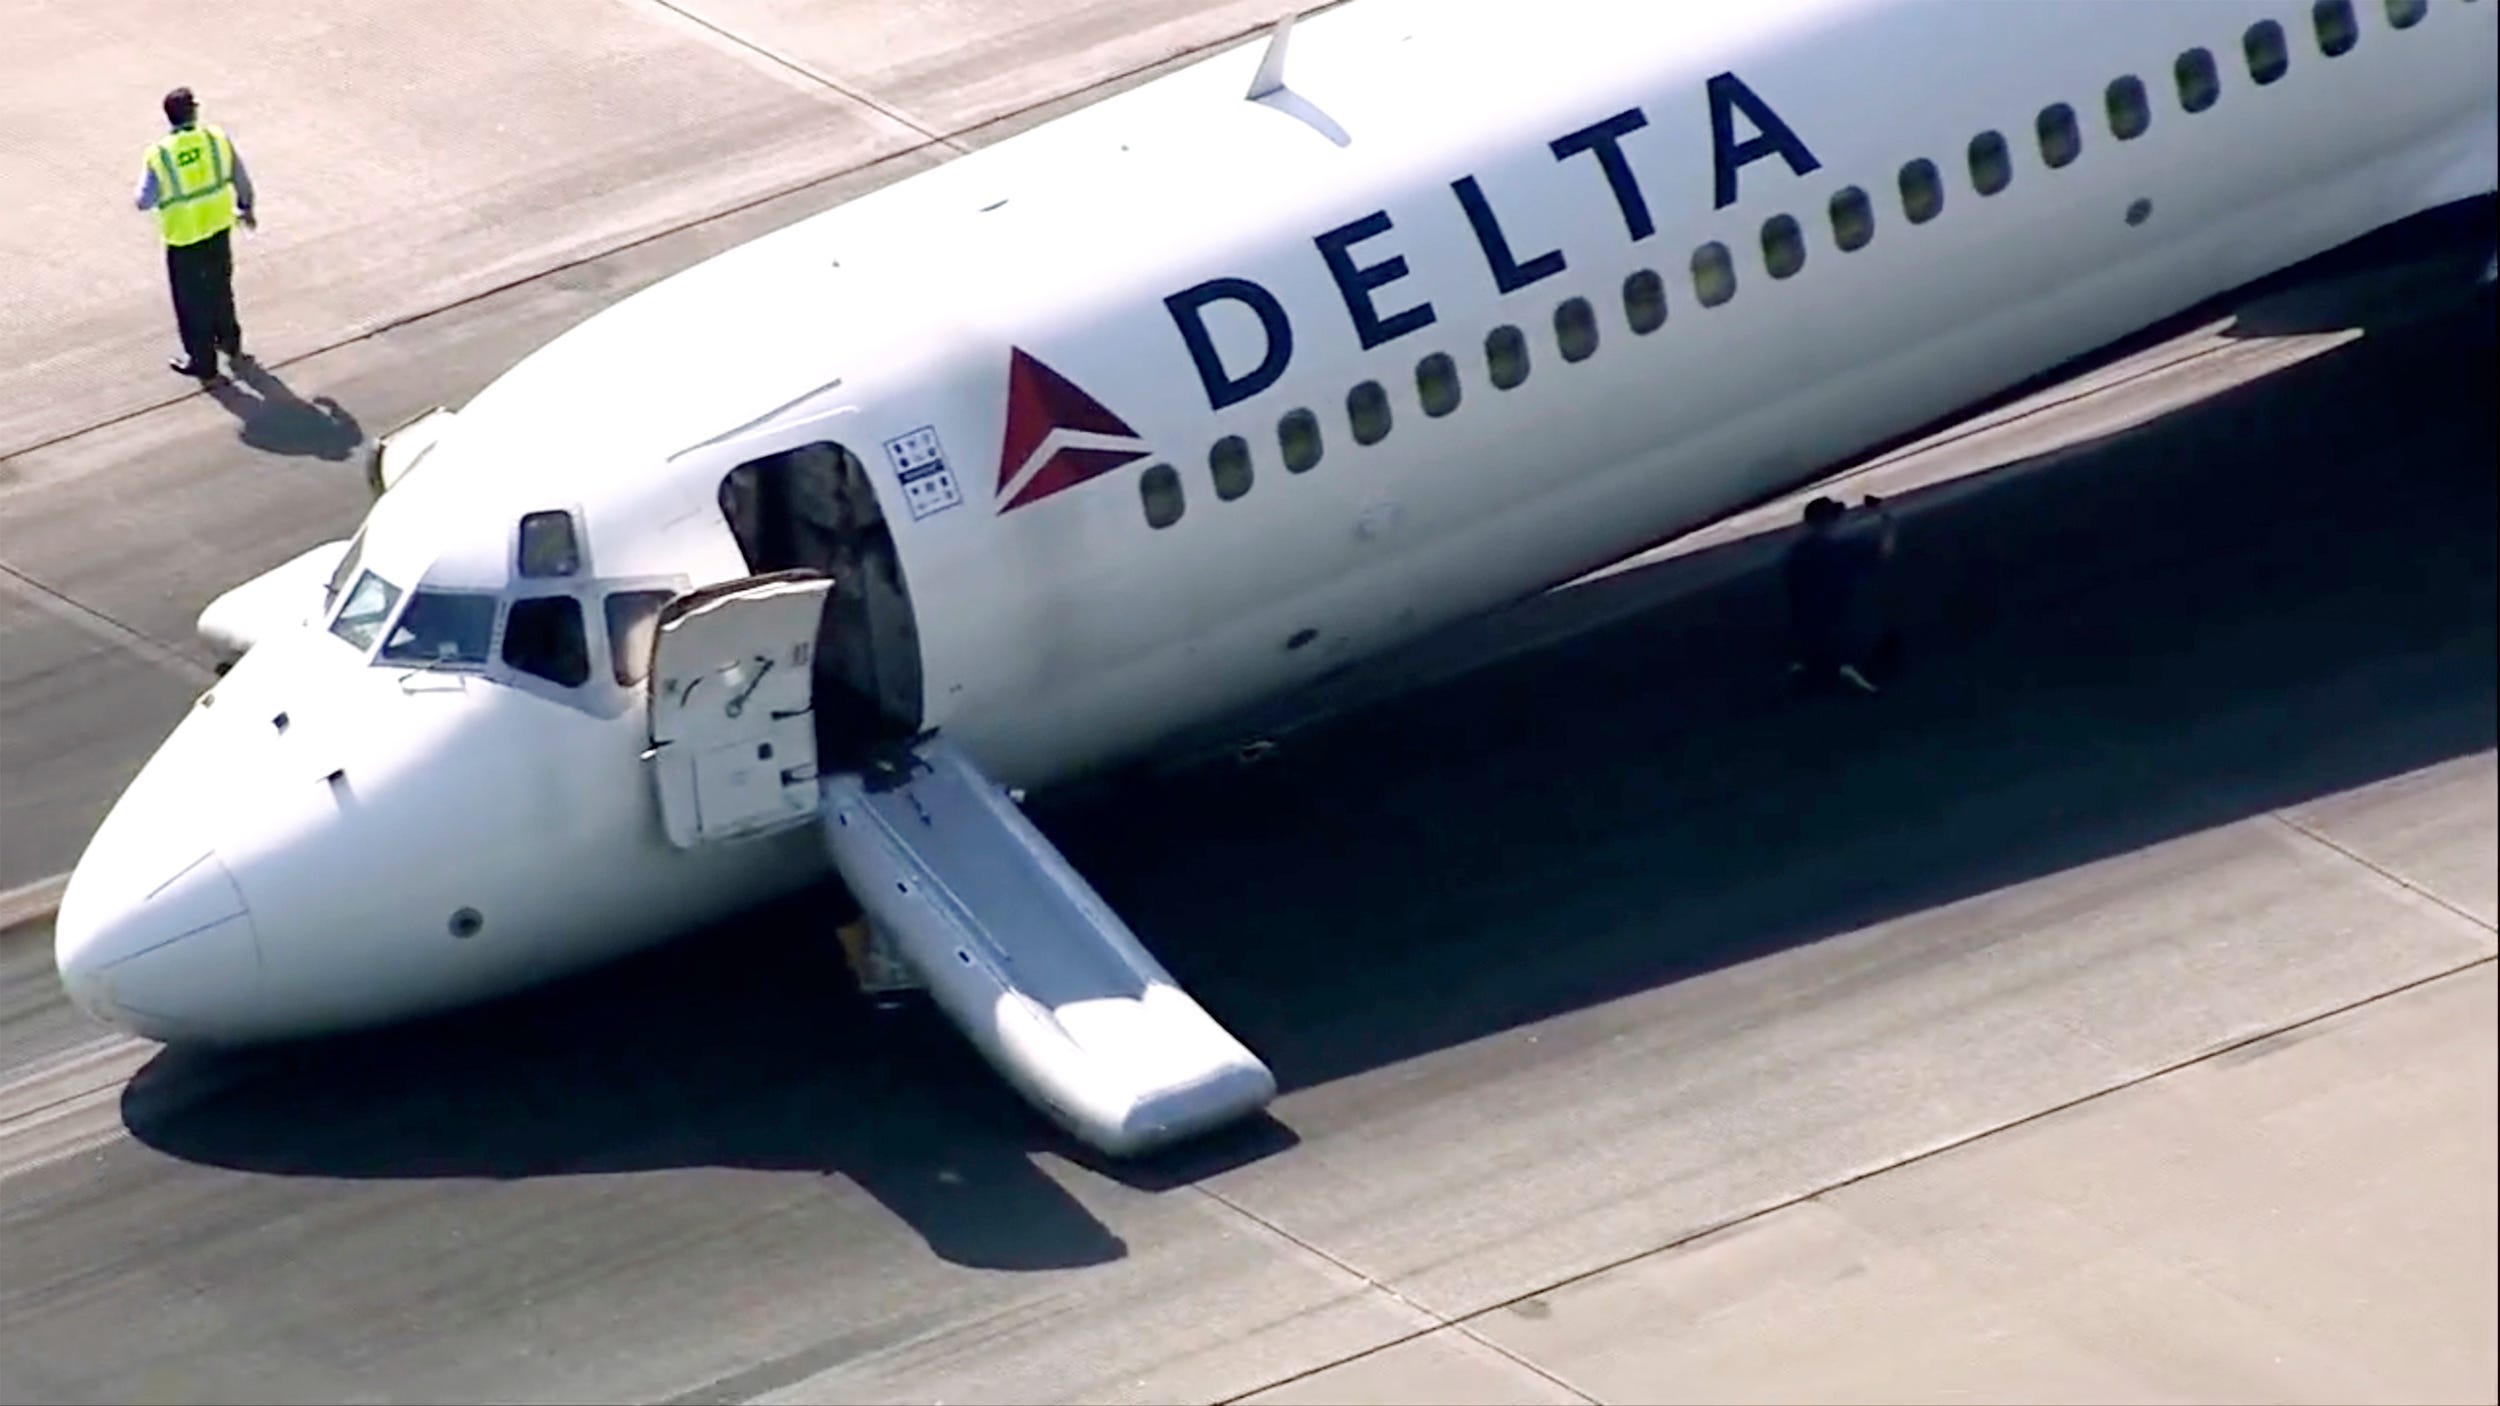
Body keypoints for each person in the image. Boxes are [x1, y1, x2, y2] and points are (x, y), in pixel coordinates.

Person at [135, 87, 256, 381]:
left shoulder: (161, 154)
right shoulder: (215, 140)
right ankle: (230, 342)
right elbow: (240, 178)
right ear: (194, 111)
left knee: (191, 302)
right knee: (220, 287)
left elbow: (143, 200)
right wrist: (246, 208)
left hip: (184, 237)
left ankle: (203, 362)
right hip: (218, 227)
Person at [1783, 493, 1899, 695]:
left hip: (1805, 623)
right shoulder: (1842, 550)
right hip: (1839, 621)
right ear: (1833, 520)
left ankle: (1808, 667)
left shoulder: (1798, 552)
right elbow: (1884, 551)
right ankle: (1851, 671)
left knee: (1817, 647)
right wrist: (1886, 516)